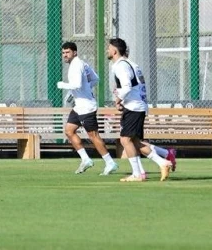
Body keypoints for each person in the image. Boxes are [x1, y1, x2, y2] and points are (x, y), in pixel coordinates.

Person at [107, 38, 173, 182]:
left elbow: (126, 87)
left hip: (134, 107)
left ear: (115, 51)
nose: (107, 50)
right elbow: (138, 87)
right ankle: (161, 162)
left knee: (125, 140)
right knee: (135, 142)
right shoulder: (131, 64)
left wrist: (118, 99)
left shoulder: (120, 66)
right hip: (136, 106)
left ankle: (139, 173)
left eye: (109, 48)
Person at [57, 41, 117, 176]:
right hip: (79, 106)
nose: (65, 55)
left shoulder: (77, 65)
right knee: (69, 131)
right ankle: (85, 159)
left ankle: (110, 162)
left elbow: (77, 84)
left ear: (75, 52)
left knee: (93, 135)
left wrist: (62, 85)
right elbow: (95, 79)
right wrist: (83, 90)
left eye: (68, 52)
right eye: (63, 53)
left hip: (86, 107)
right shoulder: (81, 64)